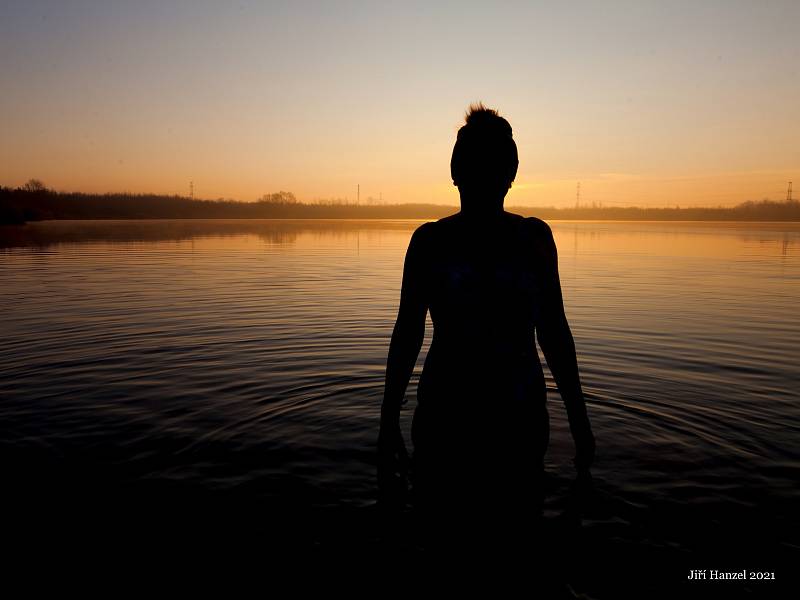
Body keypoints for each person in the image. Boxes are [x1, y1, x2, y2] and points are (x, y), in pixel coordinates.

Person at [377, 103, 595, 554]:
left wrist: (387, 419)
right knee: (514, 540)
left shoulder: (442, 241)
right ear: (512, 172)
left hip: (477, 417)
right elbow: (553, 332)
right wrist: (579, 422)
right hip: (474, 418)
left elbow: (407, 336)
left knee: (443, 538)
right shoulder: (453, 242)